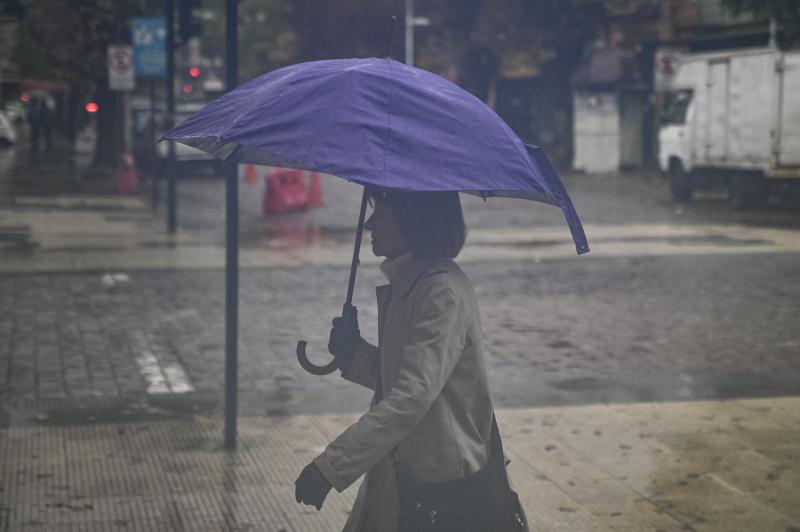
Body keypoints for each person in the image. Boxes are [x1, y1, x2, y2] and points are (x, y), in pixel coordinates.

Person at [295, 190, 525, 531]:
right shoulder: (414, 283)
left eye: (383, 215)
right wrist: (354, 353)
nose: (371, 223)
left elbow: (411, 397)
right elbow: (409, 377)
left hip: (439, 490)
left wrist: (331, 466)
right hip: (404, 476)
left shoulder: (441, 292)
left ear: (414, 222)